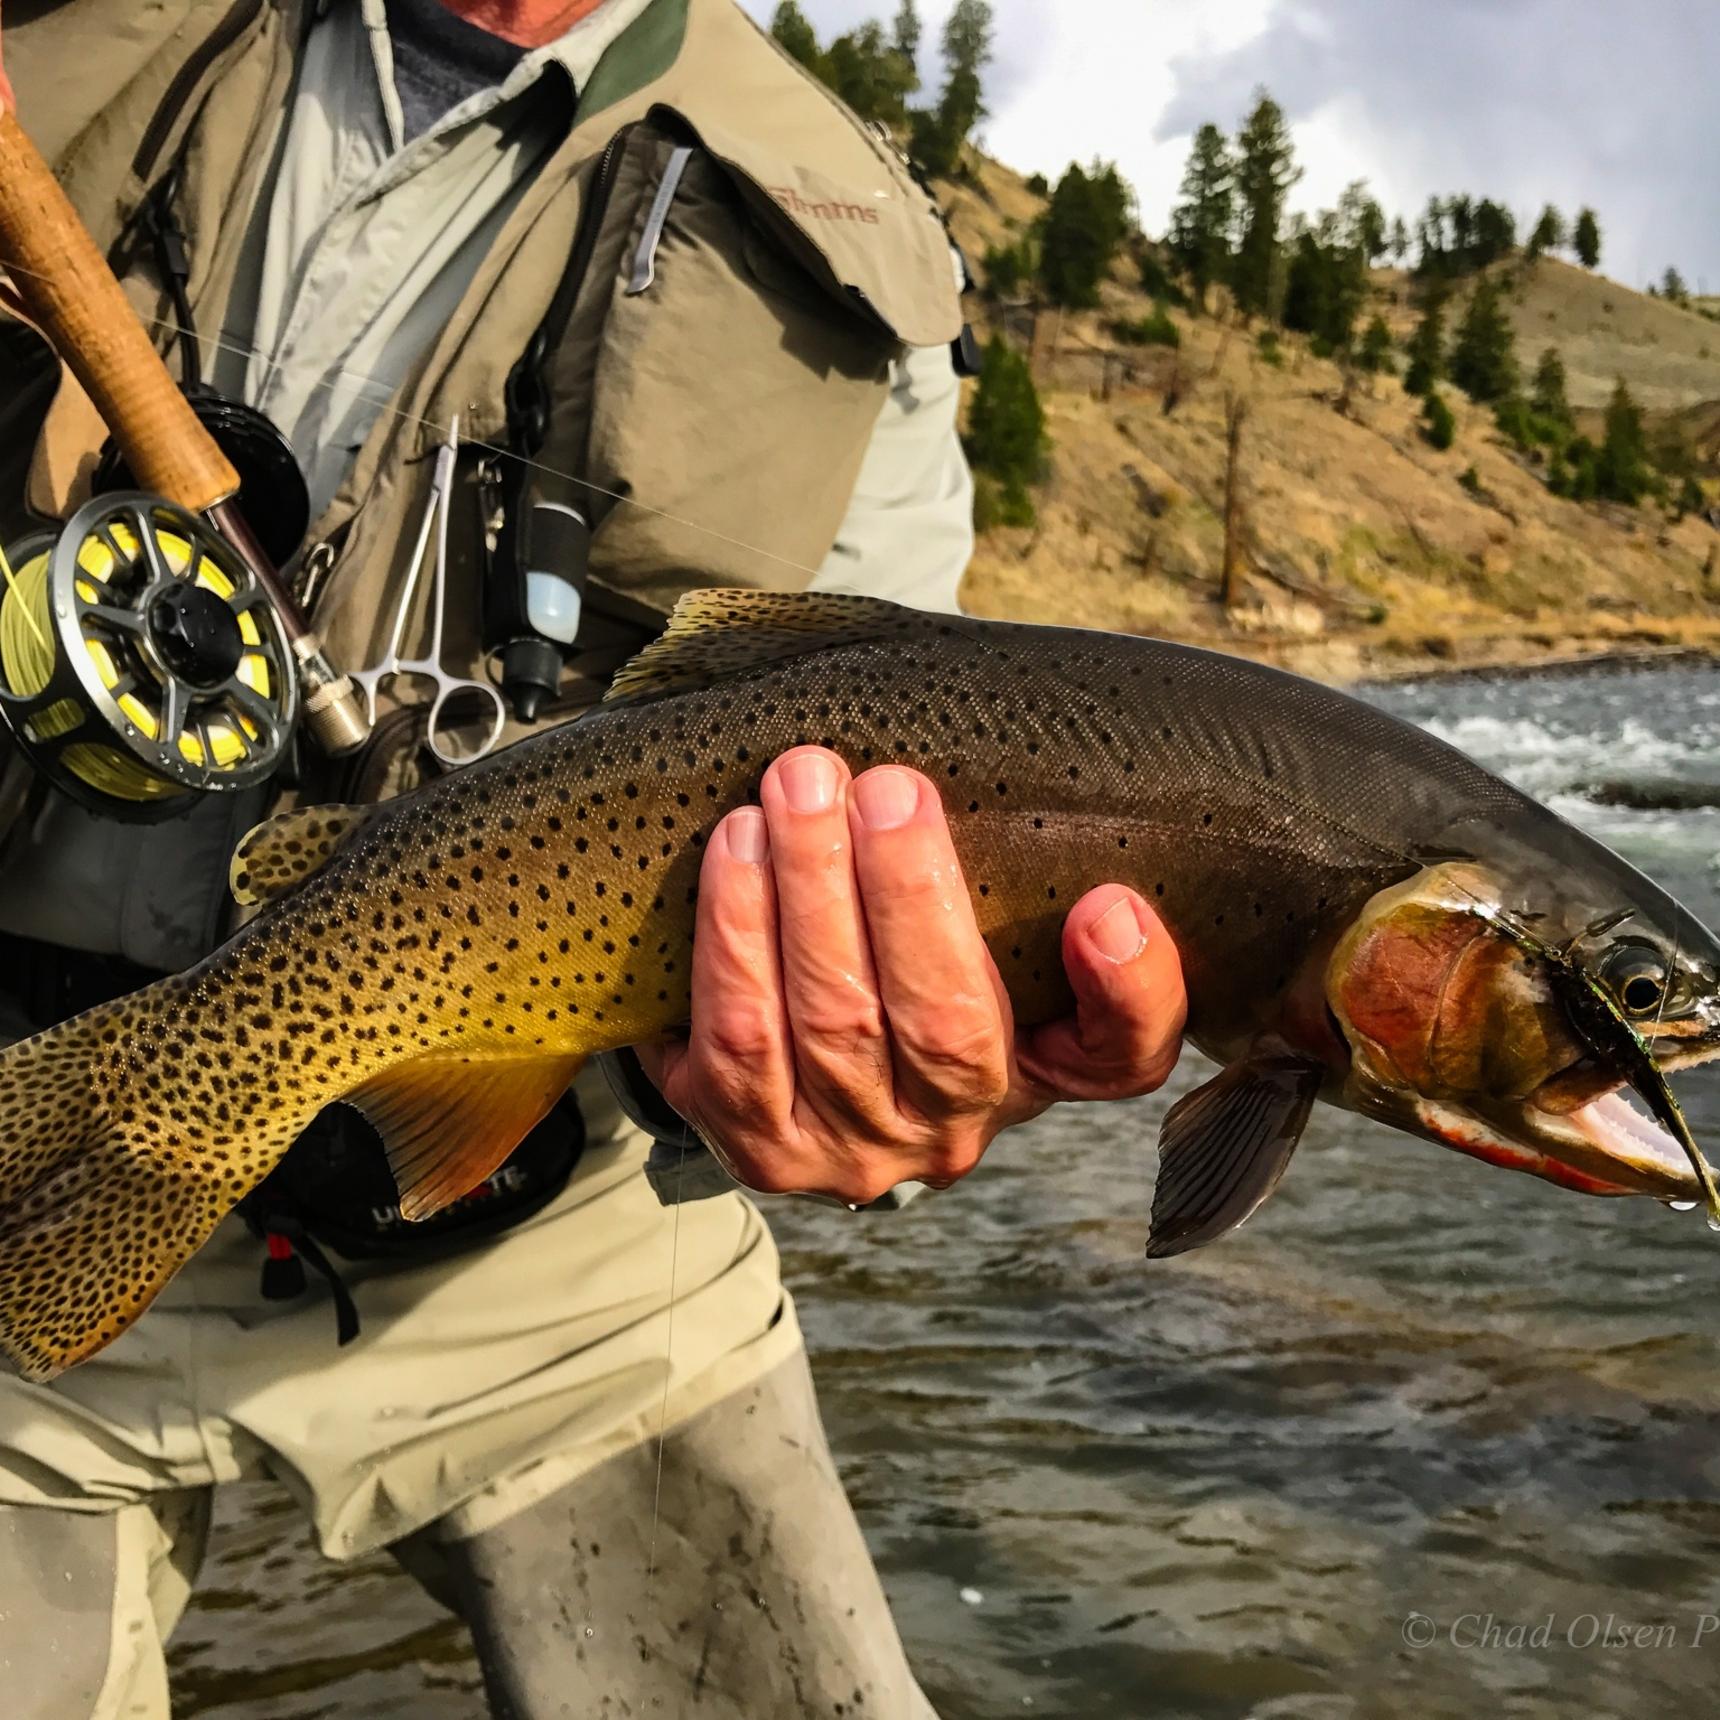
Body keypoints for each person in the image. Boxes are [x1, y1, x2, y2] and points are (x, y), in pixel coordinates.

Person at [0, 3, 1188, 1715]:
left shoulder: (851, 264)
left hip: (553, 1238)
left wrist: (885, 1067)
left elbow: (908, 792)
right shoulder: (74, 34)